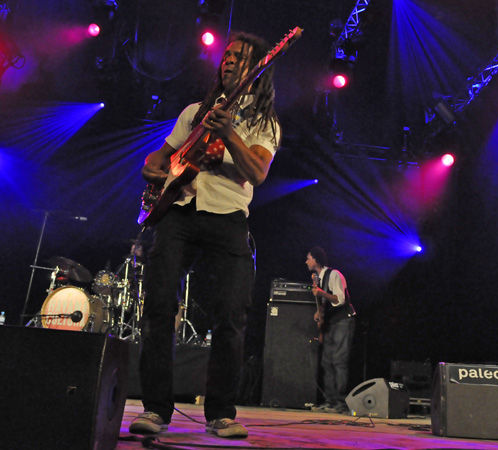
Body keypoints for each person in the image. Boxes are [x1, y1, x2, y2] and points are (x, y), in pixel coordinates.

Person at [129, 31, 281, 439]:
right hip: (179, 211)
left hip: (227, 216)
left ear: (256, 69)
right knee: (159, 306)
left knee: (231, 316)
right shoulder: (195, 111)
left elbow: (259, 173)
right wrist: (152, 170)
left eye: (239, 58)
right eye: (226, 56)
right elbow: (159, 156)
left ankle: (220, 413)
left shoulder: (263, 123)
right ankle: (156, 410)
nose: (228, 62)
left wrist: (231, 133)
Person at [305, 247, 356, 414]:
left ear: (316, 260)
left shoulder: (335, 275)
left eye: (309, 258)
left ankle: (341, 402)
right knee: (326, 362)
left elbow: (339, 299)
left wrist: (320, 292)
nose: (306, 261)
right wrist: (319, 314)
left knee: (339, 361)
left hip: (342, 320)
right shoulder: (317, 279)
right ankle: (330, 401)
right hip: (331, 322)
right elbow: (322, 302)